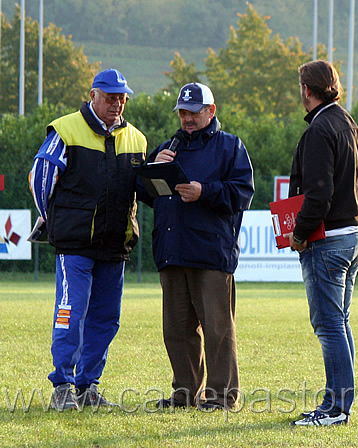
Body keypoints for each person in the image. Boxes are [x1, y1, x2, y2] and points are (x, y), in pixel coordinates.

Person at [28, 68, 147, 410]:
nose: (117, 104)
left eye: (122, 98)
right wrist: (53, 220)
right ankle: (63, 387)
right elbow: (40, 177)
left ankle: (88, 387)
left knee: (107, 319)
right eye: (110, 98)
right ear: (93, 95)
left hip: (114, 247)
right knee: (71, 311)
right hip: (75, 246)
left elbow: (141, 186)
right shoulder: (65, 129)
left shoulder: (136, 139)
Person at [137, 82, 254, 411]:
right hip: (172, 250)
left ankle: (222, 397)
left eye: (193, 112)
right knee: (176, 331)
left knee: (218, 331)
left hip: (211, 252)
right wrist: (152, 167)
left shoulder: (231, 147)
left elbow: (242, 193)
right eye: (182, 112)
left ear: (211, 111)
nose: (186, 118)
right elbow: (146, 192)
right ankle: (184, 394)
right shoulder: (169, 145)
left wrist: (205, 192)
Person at [286, 60, 358, 426]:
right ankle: (338, 403)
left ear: (307, 89)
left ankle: (336, 408)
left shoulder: (320, 129)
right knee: (340, 320)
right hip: (354, 233)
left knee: (329, 324)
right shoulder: (350, 124)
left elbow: (318, 194)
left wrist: (300, 233)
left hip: (329, 239)